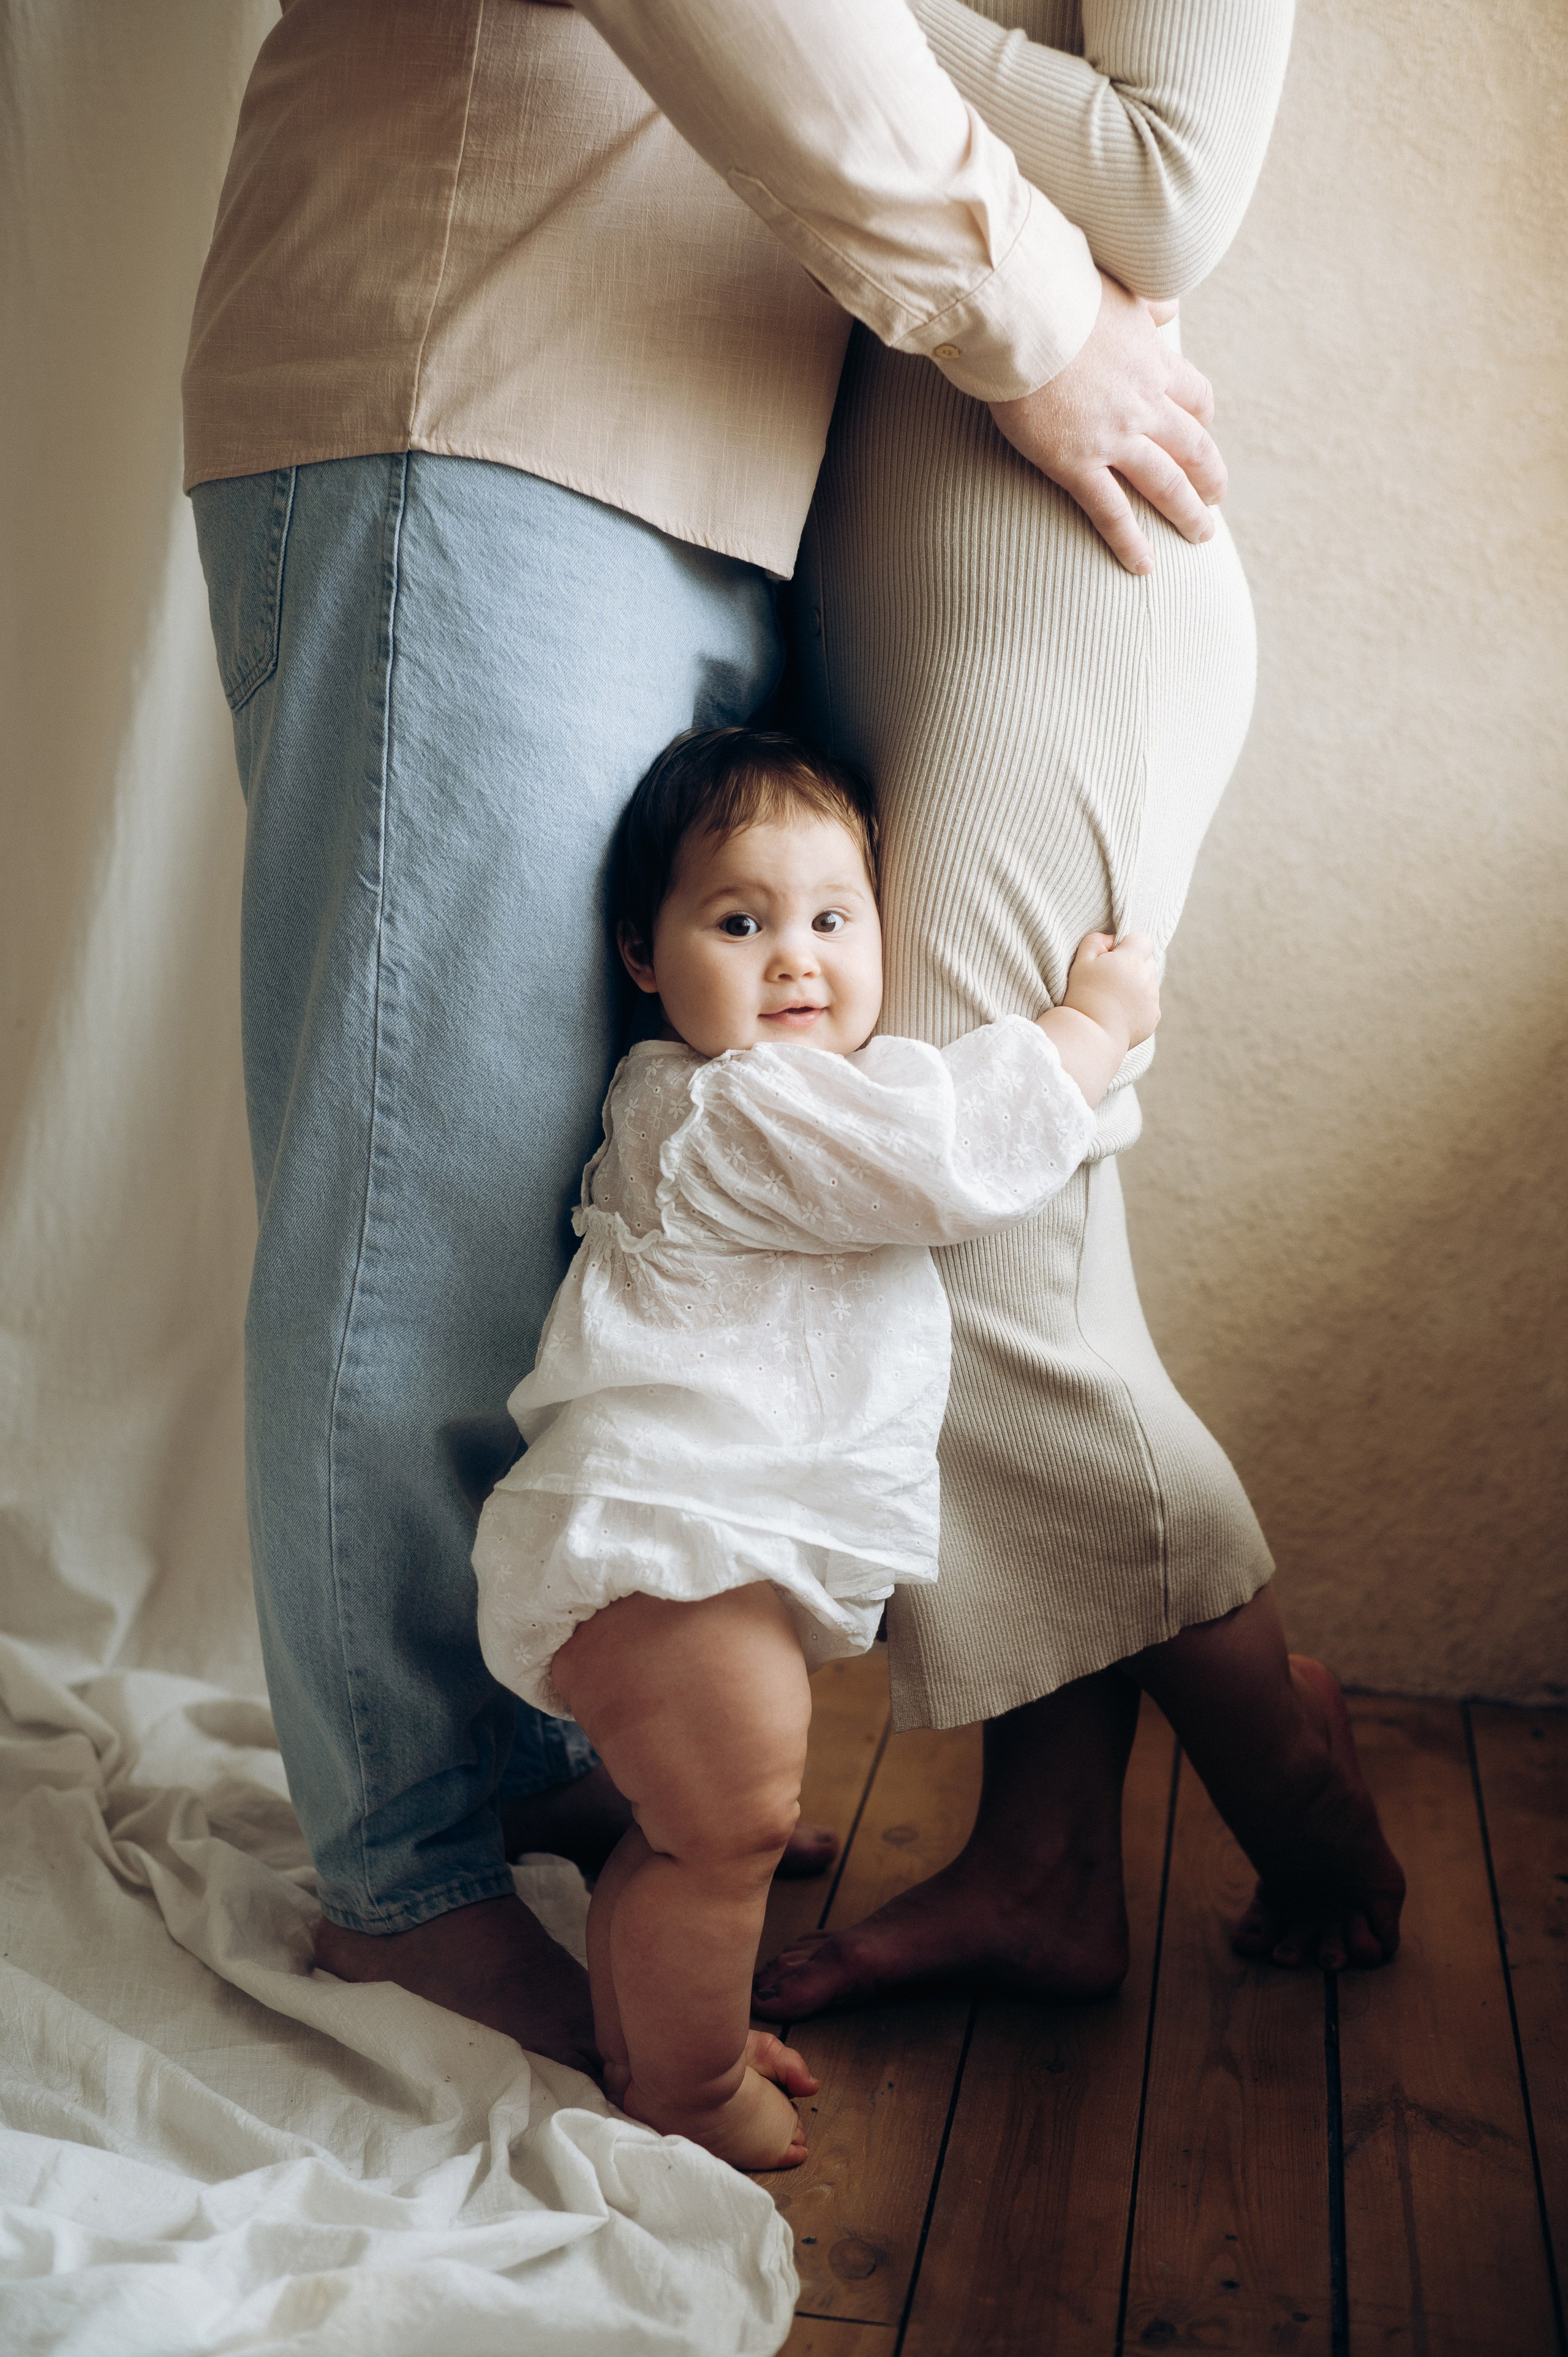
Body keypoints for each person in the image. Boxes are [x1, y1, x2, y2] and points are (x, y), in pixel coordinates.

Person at [184, 0, 1226, 2069]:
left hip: (685, 439)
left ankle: (500, 1758)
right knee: (427, 1188)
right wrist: (1032, 317)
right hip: (480, 372)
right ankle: (403, 1868)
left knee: (569, 1188)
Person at [753, 0, 1407, 2023]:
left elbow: (1166, 186)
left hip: (1058, 577)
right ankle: (1041, 1865)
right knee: (1021, 1211)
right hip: (923, 563)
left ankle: (1287, 1768)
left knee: (971, 1222)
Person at [471, 727, 1162, 2165]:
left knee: (699, 1835)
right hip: (672, 1538)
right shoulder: (732, 1105)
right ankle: (687, 2082)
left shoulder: (751, 1093)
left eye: (832, 920)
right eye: (741, 920)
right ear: (643, 956)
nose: (795, 958)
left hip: (684, 1538)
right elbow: (945, 1156)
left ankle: (641, 2015)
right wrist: (1086, 1028)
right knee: (724, 1832)